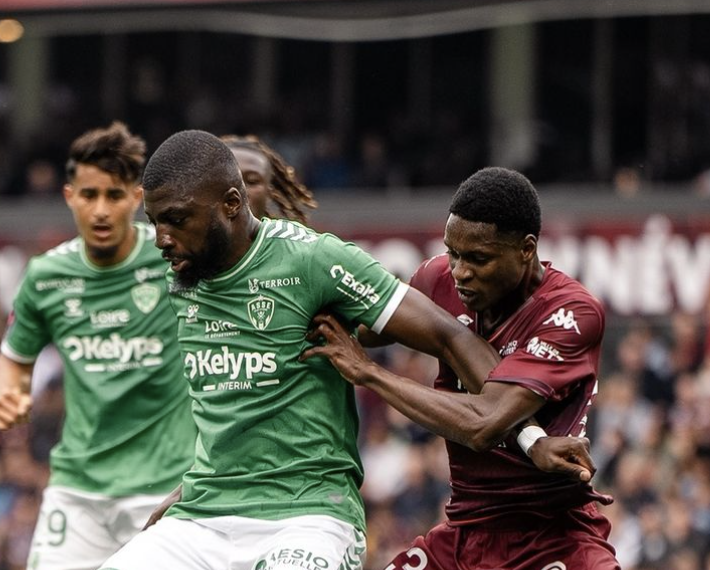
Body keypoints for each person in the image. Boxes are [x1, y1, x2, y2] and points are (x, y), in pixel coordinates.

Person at [99, 131, 596, 570]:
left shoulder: (313, 261)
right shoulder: (178, 272)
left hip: (311, 515)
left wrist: (529, 437)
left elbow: (469, 376)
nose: (161, 238)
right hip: (208, 516)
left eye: (176, 220)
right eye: (156, 221)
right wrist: (194, 486)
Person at [305, 166, 620, 569]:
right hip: (463, 533)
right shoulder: (437, 279)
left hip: (552, 536)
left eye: (478, 258)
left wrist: (370, 374)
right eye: (452, 253)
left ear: (526, 250)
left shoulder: (572, 314)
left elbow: (484, 423)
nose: (459, 272)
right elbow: (357, 327)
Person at [0, 122, 196, 570]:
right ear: (69, 197)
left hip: (164, 488)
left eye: (114, 195)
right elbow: (13, 359)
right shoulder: (46, 276)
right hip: (78, 491)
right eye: (89, 195)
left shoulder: (173, 262)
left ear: (137, 199)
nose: (101, 210)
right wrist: (9, 391)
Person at [221, 134, 317, 225]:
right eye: (228, 179)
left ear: (269, 191)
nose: (240, 191)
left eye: (252, 181)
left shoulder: (289, 241)